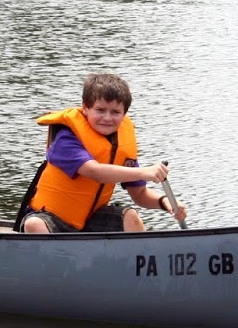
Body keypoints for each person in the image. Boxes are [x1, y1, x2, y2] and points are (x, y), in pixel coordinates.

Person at [18, 72, 186, 233]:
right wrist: (144, 172)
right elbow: (94, 172)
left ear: (124, 114)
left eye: (115, 112)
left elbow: (140, 194)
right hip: (51, 217)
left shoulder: (122, 144)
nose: (107, 118)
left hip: (91, 219)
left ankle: (143, 260)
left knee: (130, 216)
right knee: (34, 224)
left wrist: (165, 202)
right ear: (85, 108)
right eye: (100, 110)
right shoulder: (66, 139)